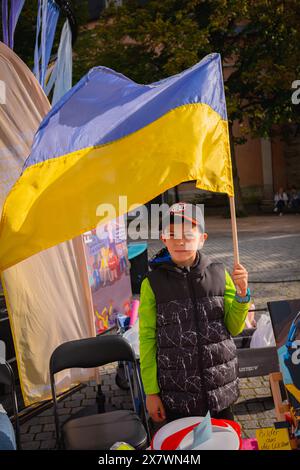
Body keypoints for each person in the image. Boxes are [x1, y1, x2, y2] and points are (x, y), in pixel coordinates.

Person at [139, 202, 250, 429]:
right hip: (177, 395)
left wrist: (242, 294)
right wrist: (151, 392)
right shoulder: (152, 284)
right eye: (172, 234)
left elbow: (234, 327)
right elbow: (147, 339)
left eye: (188, 235)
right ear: (164, 239)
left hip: (220, 389)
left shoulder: (220, 274)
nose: (180, 241)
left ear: (202, 238)